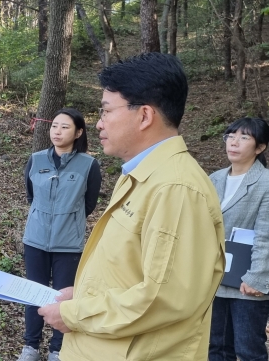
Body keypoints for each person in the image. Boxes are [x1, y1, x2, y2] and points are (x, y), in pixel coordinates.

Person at [37, 52, 225, 361]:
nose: (99, 123)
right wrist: (81, 295)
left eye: (107, 110)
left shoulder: (176, 189)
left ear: (145, 116)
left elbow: (163, 298)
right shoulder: (140, 175)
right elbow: (127, 271)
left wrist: (75, 314)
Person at [16, 108, 101, 361]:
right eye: (54, 126)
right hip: (36, 239)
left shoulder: (88, 165)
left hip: (69, 244)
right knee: (33, 292)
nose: (58, 131)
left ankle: (57, 349)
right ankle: (30, 346)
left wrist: (67, 219)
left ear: (78, 132)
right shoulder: (36, 159)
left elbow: (89, 204)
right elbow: (31, 195)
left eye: (65, 127)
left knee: (64, 298)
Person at [208, 117, 269, 361]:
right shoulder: (215, 178)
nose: (234, 142)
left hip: (247, 283)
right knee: (216, 347)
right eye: (231, 136)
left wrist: (257, 277)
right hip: (215, 277)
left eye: (244, 137)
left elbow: (266, 234)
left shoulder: (265, 182)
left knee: (249, 350)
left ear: (260, 147)